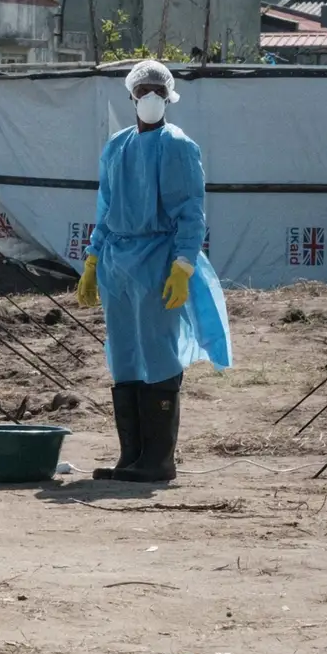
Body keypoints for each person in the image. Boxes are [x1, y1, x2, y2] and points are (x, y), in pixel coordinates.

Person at [76, 59, 232, 482]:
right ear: (130, 96)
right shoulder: (117, 146)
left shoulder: (178, 146)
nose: (149, 97)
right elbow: (106, 210)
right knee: (124, 354)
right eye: (142, 89)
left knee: (158, 351)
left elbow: (190, 213)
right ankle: (133, 456)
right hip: (117, 265)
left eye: (157, 90)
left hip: (158, 260)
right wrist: (93, 260)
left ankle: (159, 460)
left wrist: (182, 265)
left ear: (169, 96)